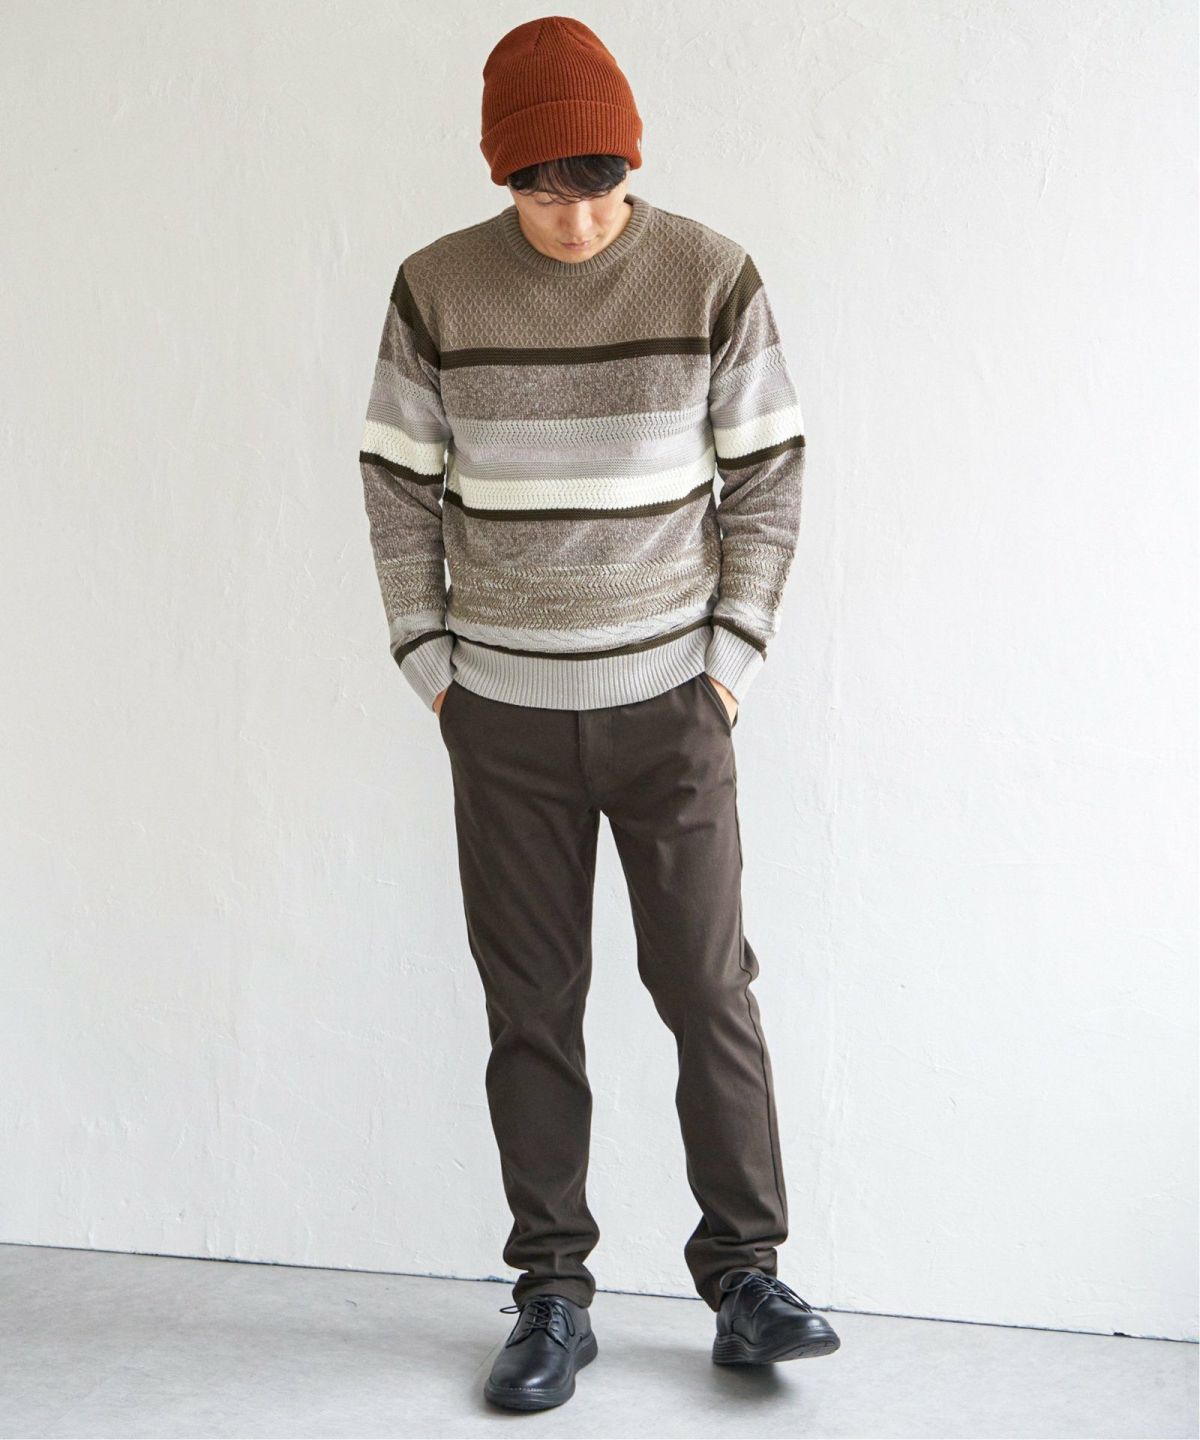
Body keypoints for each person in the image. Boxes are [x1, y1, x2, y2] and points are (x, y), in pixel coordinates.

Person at [358, 14, 841, 1413]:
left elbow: (768, 473)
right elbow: (396, 478)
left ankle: (746, 1278)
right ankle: (552, 1294)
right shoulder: (436, 287)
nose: (575, 218)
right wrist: (430, 663)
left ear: (633, 161)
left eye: (600, 184)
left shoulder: (710, 275)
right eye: (543, 189)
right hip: (501, 717)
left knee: (708, 989)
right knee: (531, 1007)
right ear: (501, 173)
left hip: (671, 708)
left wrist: (728, 663)